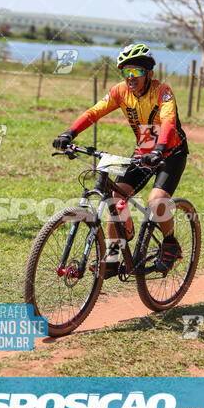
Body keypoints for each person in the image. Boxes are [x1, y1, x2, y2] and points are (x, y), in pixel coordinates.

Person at [53, 43, 189, 278]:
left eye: (136, 72)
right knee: (115, 198)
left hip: (171, 153)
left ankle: (170, 243)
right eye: (126, 72)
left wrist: (159, 150)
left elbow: (168, 122)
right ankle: (115, 257)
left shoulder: (162, 91)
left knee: (157, 201)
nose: (130, 77)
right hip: (144, 150)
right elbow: (93, 112)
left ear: (149, 74)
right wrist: (69, 133)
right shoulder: (120, 92)